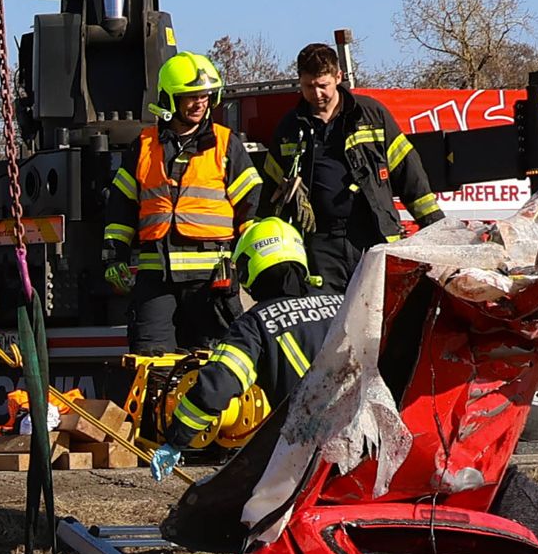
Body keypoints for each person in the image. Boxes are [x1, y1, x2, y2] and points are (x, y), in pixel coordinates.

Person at [99, 50, 264, 358]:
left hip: (212, 282)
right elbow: (121, 207)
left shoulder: (226, 144)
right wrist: (114, 257)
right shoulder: (144, 146)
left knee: (213, 365)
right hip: (156, 279)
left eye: (205, 95)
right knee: (149, 363)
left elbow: (250, 211)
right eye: (190, 96)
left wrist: (248, 266)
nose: (200, 103)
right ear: (169, 99)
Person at [154, 218, 345, 471]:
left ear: (253, 264)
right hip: (365, 441)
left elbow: (218, 385)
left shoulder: (256, 324)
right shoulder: (344, 302)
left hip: (309, 454)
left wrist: (176, 440)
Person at [264, 43, 441, 286]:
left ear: (339, 77)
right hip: (319, 243)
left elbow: (410, 175)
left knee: (375, 312)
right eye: (308, 86)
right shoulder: (289, 128)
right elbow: (270, 193)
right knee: (327, 317)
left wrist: (437, 228)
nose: (316, 94)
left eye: (323, 85)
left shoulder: (372, 114)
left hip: (373, 235)